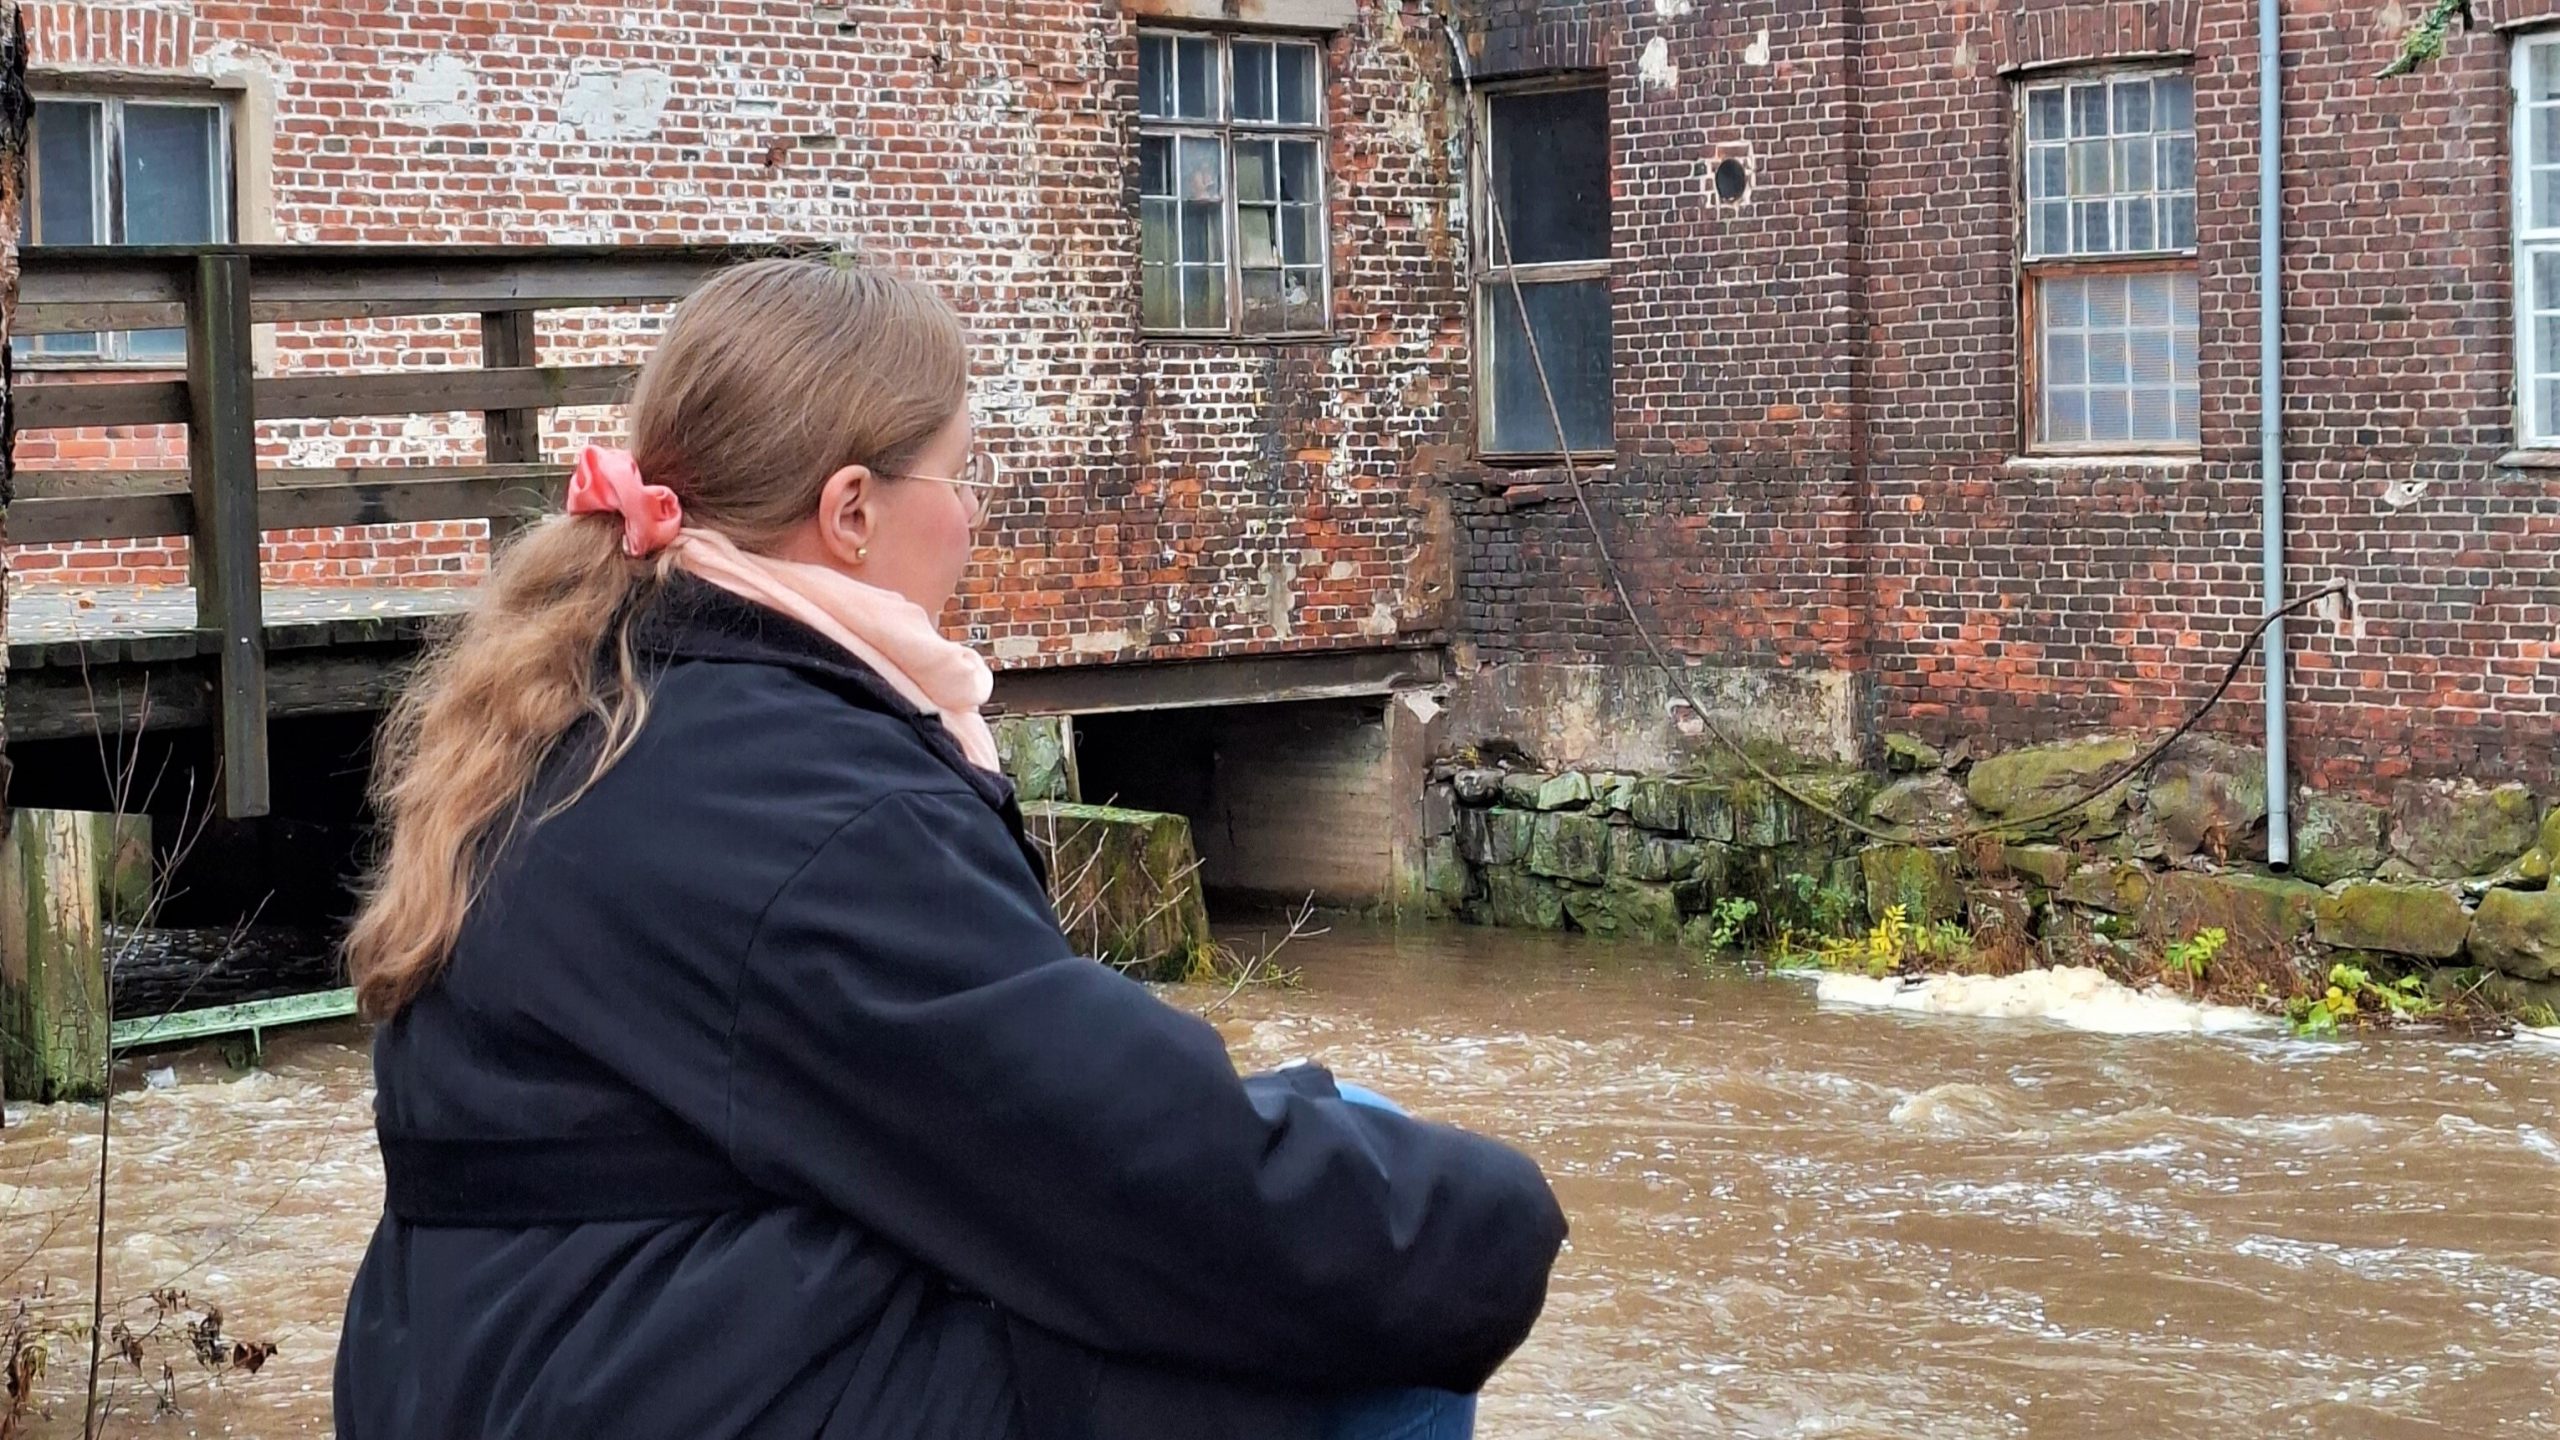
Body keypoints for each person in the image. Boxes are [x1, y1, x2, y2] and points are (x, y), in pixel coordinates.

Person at [333, 256, 1568, 1440]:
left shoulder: (603, 702)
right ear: (853, 511)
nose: (975, 516)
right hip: (628, 1387)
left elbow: (1000, 1094)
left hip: (507, 1356)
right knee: (1373, 1328)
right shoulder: (808, 800)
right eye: (961, 475)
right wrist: (1489, 1226)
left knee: (1327, 1161)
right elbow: (1099, 1149)